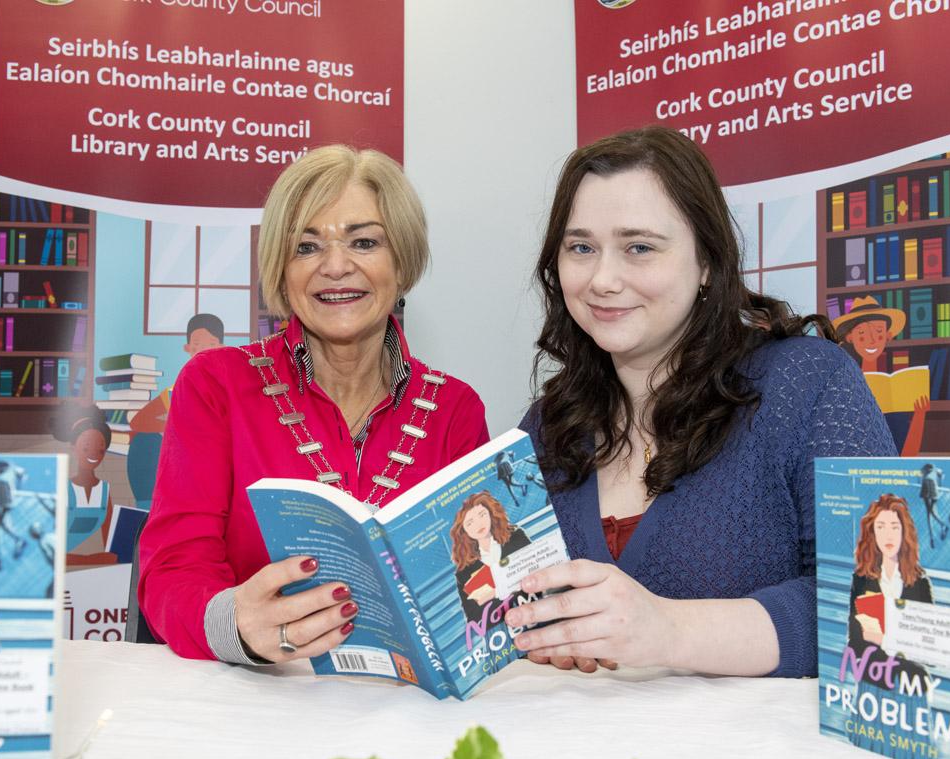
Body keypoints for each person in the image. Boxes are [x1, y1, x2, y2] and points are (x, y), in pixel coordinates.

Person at [504, 126, 896, 678]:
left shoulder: (809, 384)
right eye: (581, 248)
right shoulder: (548, 425)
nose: (602, 279)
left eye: (639, 247)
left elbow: (885, 604)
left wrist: (671, 631)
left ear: (708, 261)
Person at [139, 145, 490, 665]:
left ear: (403, 261)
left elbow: (477, 580)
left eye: (364, 241)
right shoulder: (215, 384)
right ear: (281, 271)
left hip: (407, 712)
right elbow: (173, 569)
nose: (335, 266)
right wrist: (238, 627)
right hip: (261, 699)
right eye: (306, 247)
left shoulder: (455, 409)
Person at [846, 494, 938, 759]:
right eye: (881, 527)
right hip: (874, 679)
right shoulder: (863, 580)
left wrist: (887, 638)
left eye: (894, 527)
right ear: (871, 533)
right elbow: (855, 640)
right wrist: (872, 643)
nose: (888, 534)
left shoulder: (919, 583)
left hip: (908, 684)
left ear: (904, 532)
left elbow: (927, 644)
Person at [128, 313, 226, 509]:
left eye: (212, 343)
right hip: (179, 465)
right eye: (198, 343)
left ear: (222, 347)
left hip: (213, 467)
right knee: (143, 440)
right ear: (187, 348)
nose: (204, 349)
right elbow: (138, 422)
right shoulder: (175, 391)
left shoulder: (227, 388)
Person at [834, 296, 930, 456]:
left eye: (878, 332)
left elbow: (907, 456)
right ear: (850, 337)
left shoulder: (899, 392)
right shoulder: (845, 384)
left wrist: (920, 414)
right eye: (862, 333)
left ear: (888, 335)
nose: (871, 340)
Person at [449, 490, 533, 623]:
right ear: (463, 531)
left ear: (491, 514)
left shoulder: (516, 537)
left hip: (534, 606)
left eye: (482, 515)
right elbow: (474, 618)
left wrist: (495, 592)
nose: (478, 524)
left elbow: (536, 570)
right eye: (470, 523)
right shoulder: (464, 572)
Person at [55, 406, 118, 568]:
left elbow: (111, 544)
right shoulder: (62, 489)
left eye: (100, 449)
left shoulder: (104, 490)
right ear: (73, 446)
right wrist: (90, 559)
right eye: (86, 447)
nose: (93, 454)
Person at [0, 460, 28, 570]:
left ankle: (16, 541)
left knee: (0, 524)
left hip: (2, 492)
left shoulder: (12, 468)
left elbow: (22, 475)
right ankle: (1, 554)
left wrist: (17, 489)